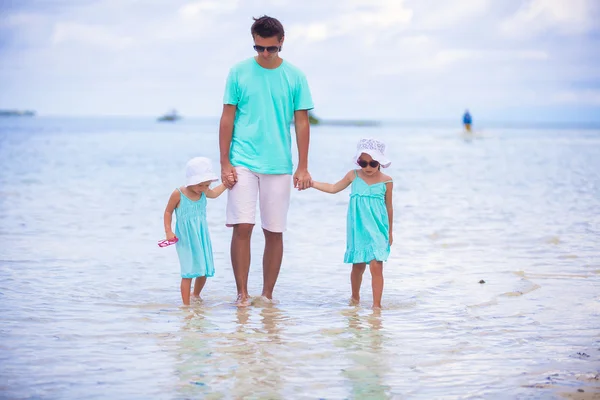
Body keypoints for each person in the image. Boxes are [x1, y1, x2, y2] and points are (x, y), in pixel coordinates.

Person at [218, 15, 314, 306]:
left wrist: (303, 165)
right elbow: (227, 118)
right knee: (242, 226)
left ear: (281, 42)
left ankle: (268, 296)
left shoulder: (295, 76)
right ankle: (242, 295)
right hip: (242, 160)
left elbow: (301, 123)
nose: (264, 54)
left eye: (270, 48)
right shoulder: (238, 72)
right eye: (258, 48)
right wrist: (224, 163)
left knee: (274, 231)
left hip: (279, 163)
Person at [311, 138, 393, 309]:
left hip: (378, 228)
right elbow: (333, 188)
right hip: (359, 228)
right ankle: (355, 299)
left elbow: (389, 207)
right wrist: (312, 183)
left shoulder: (387, 181)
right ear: (358, 162)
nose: (368, 168)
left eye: (373, 163)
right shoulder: (353, 175)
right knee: (358, 266)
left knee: (377, 265)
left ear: (380, 163)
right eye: (363, 163)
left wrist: (390, 232)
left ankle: (376, 307)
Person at [163, 157, 227, 305]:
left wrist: (226, 184)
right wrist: (168, 232)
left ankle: (196, 295)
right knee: (188, 271)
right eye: (200, 185)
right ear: (191, 181)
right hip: (185, 239)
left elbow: (215, 193)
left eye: (207, 185)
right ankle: (185, 305)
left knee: (204, 269)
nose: (203, 188)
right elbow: (168, 212)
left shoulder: (204, 192)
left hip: (201, 236)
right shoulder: (178, 193)